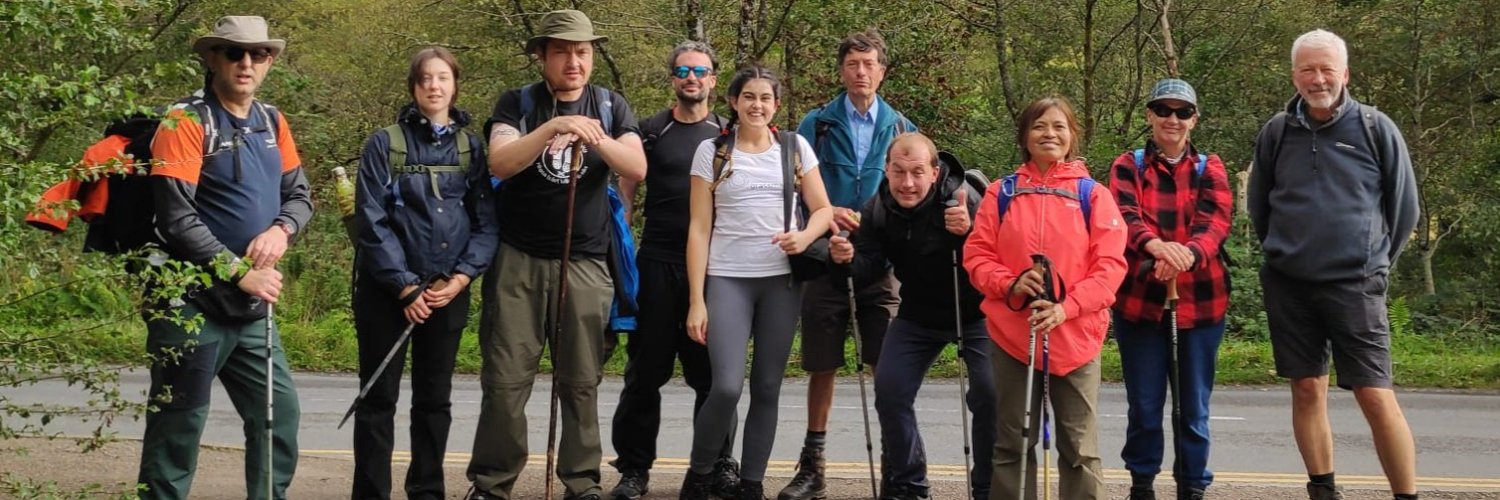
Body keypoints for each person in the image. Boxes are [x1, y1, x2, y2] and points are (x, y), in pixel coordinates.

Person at [464, 9, 646, 500]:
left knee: (582, 380)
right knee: (505, 380)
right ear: (542, 55)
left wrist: (596, 135)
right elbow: (501, 160)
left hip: (586, 262)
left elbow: (637, 165)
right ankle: (491, 483)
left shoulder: (611, 106)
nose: (574, 60)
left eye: (582, 51)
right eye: (562, 50)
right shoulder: (518, 104)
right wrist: (552, 128)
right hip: (518, 260)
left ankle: (581, 482)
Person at [140, 15, 312, 499]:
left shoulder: (272, 121)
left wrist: (282, 229)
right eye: (234, 53)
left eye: (258, 54)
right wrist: (240, 273)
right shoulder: (186, 120)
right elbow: (175, 219)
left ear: (270, 62)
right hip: (187, 302)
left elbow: (299, 195)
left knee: (279, 418)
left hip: (252, 308)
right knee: (179, 425)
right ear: (211, 58)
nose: (246, 63)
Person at [1248, 29, 1420, 500]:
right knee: (1306, 388)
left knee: (1375, 395)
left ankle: (1406, 494)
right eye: (1308, 69)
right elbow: (1260, 206)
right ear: (1294, 75)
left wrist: (1376, 263)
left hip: (1356, 284)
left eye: (1327, 69)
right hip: (1290, 284)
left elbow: (1404, 210)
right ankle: (1323, 491)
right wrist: (1284, 251)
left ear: (1345, 74)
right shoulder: (1277, 132)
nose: (1317, 78)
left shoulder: (1374, 127)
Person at [679, 65, 834, 500]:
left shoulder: (794, 147)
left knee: (767, 386)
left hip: (781, 283)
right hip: (727, 278)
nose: (757, 105)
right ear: (733, 101)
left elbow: (822, 209)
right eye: (749, 96)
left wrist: (803, 236)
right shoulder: (712, 152)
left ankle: (751, 483)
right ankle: (701, 473)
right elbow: (698, 228)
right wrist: (697, 299)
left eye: (765, 98)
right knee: (727, 385)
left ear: (776, 106)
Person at [350, 46, 498, 500]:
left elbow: (486, 221)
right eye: (425, 79)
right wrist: (404, 287)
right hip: (386, 293)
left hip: (445, 294)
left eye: (442, 78)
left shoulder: (472, 148)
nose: (434, 86)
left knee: (434, 401)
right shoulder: (385, 143)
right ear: (414, 87)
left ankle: (428, 491)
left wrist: (461, 279)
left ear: (455, 85)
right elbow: (370, 221)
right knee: (378, 400)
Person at [963, 96, 1127, 500]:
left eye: (1058, 126)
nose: (1049, 134)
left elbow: (1110, 268)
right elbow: (977, 255)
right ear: (1024, 136)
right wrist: (1010, 283)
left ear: (1072, 135)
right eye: (1039, 126)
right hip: (1012, 337)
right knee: (1012, 445)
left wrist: (1066, 308)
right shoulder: (1002, 192)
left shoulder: (1093, 195)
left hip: (1076, 336)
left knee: (1079, 450)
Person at [782, 29, 917, 500]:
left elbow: (912, 192)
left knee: (887, 366)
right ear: (842, 69)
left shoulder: (902, 127)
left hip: (880, 262)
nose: (862, 72)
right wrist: (828, 214)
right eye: (853, 64)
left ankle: (894, 466)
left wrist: (878, 220)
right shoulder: (815, 124)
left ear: (882, 70)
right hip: (825, 256)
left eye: (870, 64)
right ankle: (813, 467)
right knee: (822, 363)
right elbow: (793, 187)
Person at [828, 133, 997, 500]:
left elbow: (1000, 256)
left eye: (917, 172)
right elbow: (869, 268)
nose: (907, 183)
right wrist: (845, 260)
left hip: (976, 311)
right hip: (918, 313)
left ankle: (987, 486)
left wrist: (968, 234)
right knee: (890, 389)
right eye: (899, 172)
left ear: (934, 173)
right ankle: (909, 484)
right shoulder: (878, 209)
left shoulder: (966, 199)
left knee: (989, 394)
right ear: (886, 170)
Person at [608, 40, 739, 500]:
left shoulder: (729, 132)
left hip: (714, 268)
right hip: (657, 265)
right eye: (683, 70)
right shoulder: (649, 131)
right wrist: (618, 255)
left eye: (700, 70)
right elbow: (625, 196)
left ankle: (718, 464)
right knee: (645, 374)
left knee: (714, 376)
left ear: (713, 80)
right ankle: (634, 470)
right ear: (673, 78)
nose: (691, 77)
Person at [1107, 78, 1232, 500]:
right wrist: (1158, 247)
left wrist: (1186, 255)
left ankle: (1192, 486)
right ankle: (1142, 484)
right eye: (1164, 110)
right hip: (1139, 304)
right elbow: (1124, 215)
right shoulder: (1129, 164)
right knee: (1144, 408)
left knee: (1192, 410)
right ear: (1150, 115)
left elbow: (1215, 223)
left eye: (1182, 112)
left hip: (1200, 305)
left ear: (1194, 119)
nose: (1172, 119)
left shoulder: (1209, 166)